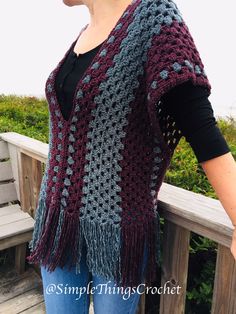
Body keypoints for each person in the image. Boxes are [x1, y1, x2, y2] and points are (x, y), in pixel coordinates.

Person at [27, 0, 236, 313]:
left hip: (119, 230)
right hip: (57, 222)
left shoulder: (154, 17)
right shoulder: (83, 34)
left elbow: (199, 125)